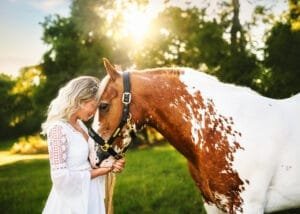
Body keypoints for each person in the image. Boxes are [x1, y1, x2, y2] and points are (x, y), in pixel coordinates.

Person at [41, 76, 125, 214]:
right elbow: (60, 178)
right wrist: (102, 171)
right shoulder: (58, 129)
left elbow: (88, 162)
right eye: (94, 105)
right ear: (80, 100)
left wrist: (111, 163)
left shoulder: (80, 125)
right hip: (72, 203)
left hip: (90, 195)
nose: (95, 112)